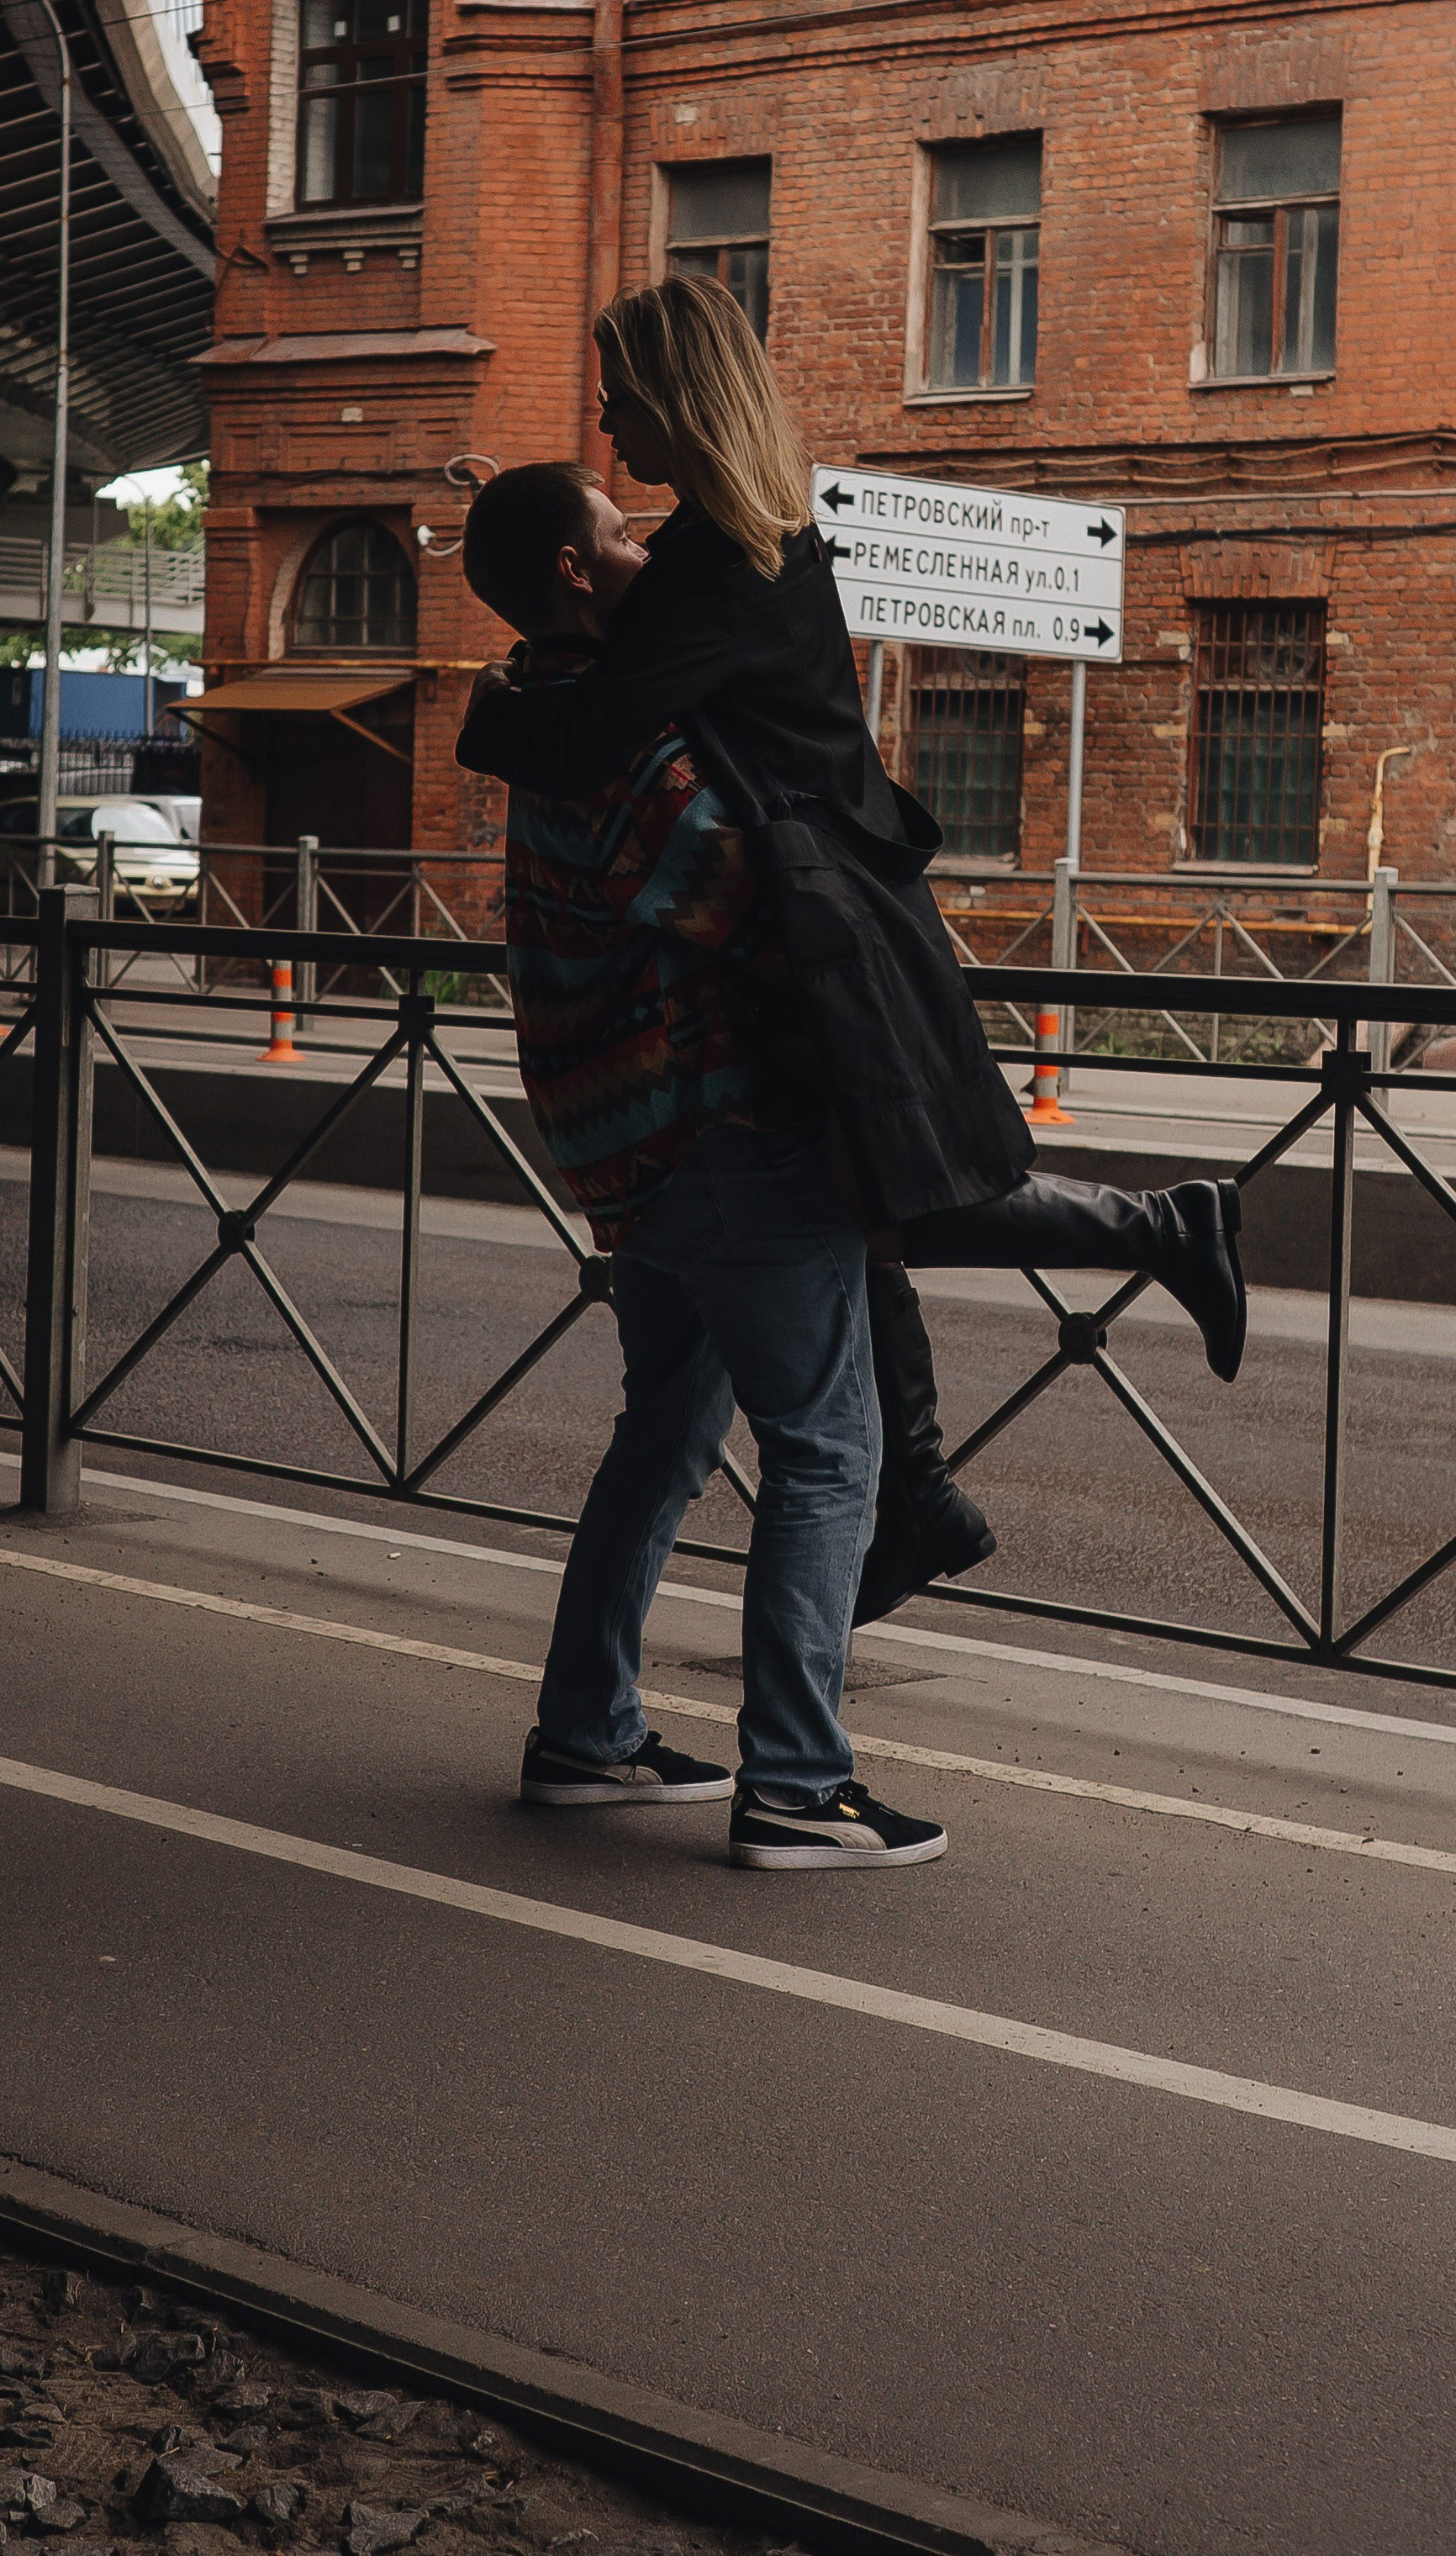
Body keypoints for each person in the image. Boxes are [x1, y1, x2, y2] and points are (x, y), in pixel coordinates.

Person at [456, 277, 1249, 1624]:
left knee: (892, 1199)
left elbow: (593, 740)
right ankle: (927, 1491)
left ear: (677, 400)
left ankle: (1157, 1236)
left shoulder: (714, 569)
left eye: (620, 398)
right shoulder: (741, 541)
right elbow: (601, 671)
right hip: (819, 924)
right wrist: (528, 546)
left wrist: (494, 698)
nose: (607, 424)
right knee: (863, 1208)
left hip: (816, 940)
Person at [462, 458, 948, 1870]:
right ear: (571, 569)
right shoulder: (620, 735)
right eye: (616, 532)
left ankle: (587, 1733)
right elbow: (732, 894)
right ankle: (798, 1785)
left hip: (622, 1141)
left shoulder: (542, 709)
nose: (638, 547)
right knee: (827, 1448)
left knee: (667, 1433)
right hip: (715, 1128)